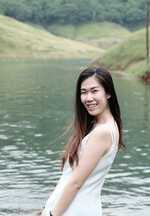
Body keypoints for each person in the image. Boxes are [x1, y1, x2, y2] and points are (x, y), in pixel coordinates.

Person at [41, 66, 125, 216]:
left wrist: (53, 214)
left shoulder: (102, 132)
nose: (88, 98)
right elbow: (68, 177)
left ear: (108, 93)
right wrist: (47, 208)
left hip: (73, 210)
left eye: (94, 91)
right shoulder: (98, 126)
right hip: (68, 208)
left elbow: (76, 183)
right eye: (83, 92)